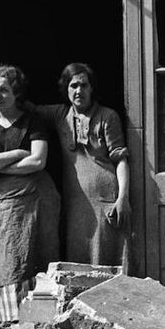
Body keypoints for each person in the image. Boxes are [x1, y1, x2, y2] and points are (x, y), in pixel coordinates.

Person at [0, 65, 60, 322]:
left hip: (36, 201)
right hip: (1, 205)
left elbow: (37, 162)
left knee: (39, 257)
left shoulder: (33, 122)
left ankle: (40, 322)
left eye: (4, 90)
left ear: (16, 92)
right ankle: (13, 324)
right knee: (7, 261)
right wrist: (16, 155)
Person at [34, 63, 130, 267]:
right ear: (66, 90)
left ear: (92, 88)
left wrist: (123, 198)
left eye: (84, 85)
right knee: (78, 262)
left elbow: (120, 159)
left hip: (106, 201)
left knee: (106, 263)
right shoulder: (61, 116)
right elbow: (26, 110)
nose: (79, 91)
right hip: (76, 205)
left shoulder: (108, 116)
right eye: (74, 85)